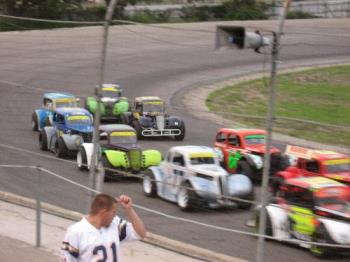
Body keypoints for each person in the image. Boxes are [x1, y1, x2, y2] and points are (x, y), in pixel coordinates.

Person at [60, 193, 146, 262]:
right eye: (113, 212)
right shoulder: (75, 231)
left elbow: (141, 233)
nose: (115, 216)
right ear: (103, 212)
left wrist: (129, 209)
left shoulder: (115, 224)